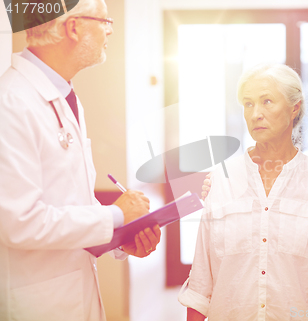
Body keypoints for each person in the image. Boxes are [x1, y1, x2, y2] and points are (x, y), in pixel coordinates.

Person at [0, 1, 161, 320]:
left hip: (70, 294)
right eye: (105, 21)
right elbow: (19, 223)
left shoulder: (62, 96)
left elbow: (68, 203)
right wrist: (116, 214)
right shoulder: (12, 102)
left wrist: (120, 237)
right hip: (39, 303)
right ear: (73, 28)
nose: (109, 30)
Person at [178, 64, 308, 321]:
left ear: (294, 107)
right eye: (248, 104)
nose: (256, 114)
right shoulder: (221, 179)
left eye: (267, 101)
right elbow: (201, 284)